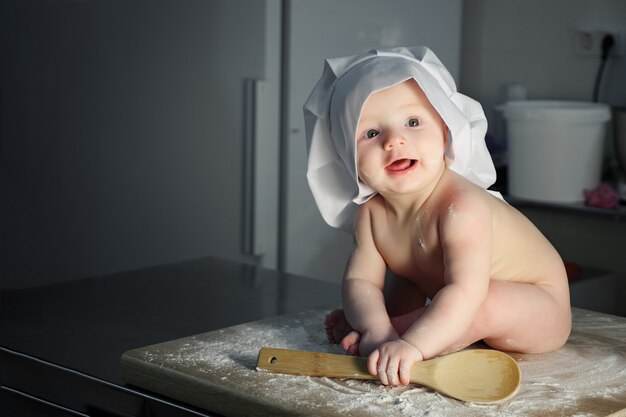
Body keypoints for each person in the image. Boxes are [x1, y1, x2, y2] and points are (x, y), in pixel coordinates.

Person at [303, 46, 571, 387]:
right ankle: (390, 332)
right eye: (371, 133)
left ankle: (404, 334)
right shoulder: (371, 216)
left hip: (538, 308)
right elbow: (361, 282)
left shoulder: (460, 205)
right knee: (403, 273)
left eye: (413, 122)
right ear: (346, 157)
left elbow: (464, 291)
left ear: (445, 132)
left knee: (483, 299)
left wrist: (410, 342)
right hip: (458, 303)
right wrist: (374, 325)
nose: (394, 140)